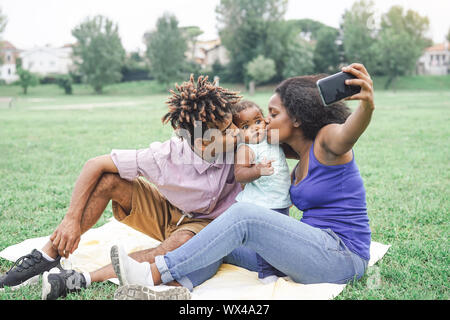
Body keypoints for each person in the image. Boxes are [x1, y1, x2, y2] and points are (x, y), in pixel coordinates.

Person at [110, 63, 375, 300]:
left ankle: (152, 274)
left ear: (296, 117)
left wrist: (366, 105)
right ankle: (175, 288)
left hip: (342, 256)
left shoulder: (328, 141)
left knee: (244, 215)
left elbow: (348, 133)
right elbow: (239, 147)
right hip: (313, 252)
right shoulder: (291, 154)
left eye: (273, 114)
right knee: (217, 238)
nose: (266, 121)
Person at [0, 75, 243, 300]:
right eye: (226, 130)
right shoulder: (164, 156)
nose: (236, 131)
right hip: (169, 212)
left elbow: (277, 137)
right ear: (201, 141)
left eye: (233, 124)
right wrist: (70, 220)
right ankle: (46, 257)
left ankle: (81, 278)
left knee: (178, 245)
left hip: (204, 227)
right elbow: (95, 164)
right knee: (109, 180)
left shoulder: (241, 146)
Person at [231, 100, 292, 283]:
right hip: (261, 203)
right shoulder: (246, 149)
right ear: (238, 133)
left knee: (281, 237)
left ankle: (281, 267)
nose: (255, 128)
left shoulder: (272, 138)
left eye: (258, 121)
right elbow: (240, 174)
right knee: (265, 240)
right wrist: (257, 170)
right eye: (246, 126)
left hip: (279, 200)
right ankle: (266, 272)